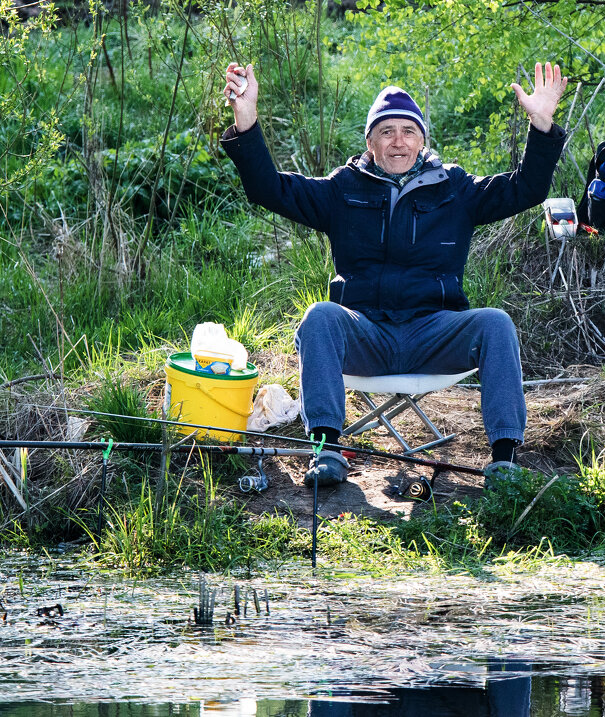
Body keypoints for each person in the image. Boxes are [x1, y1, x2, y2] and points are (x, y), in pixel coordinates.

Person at [219, 61, 567, 487]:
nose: (398, 142)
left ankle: (505, 459)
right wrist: (247, 119)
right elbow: (267, 189)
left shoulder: (455, 188)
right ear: (370, 143)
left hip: (434, 333)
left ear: (422, 141)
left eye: (408, 132)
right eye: (386, 132)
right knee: (320, 317)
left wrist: (543, 126)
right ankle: (327, 450)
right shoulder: (342, 189)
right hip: (367, 333)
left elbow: (526, 189)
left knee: (495, 323)